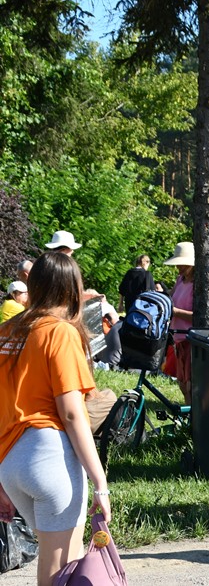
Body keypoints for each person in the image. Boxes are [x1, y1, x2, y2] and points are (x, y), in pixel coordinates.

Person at [0, 251, 111, 586]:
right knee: (59, 566)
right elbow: (72, 412)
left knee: (62, 563)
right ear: (71, 289)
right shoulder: (60, 332)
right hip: (50, 457)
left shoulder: (6, 332)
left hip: (10, 463)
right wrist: (100, 482)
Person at [165, 242, 196, 404]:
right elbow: (170, 300)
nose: (179, 268)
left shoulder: (198, 285)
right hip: (177, 337)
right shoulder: (180, 280)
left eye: (182, 264)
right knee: (182, 382)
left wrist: (176, 312)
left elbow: (199, 317)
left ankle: (193, 415)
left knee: (191, 383)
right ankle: (188, 411)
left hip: (191, 339)